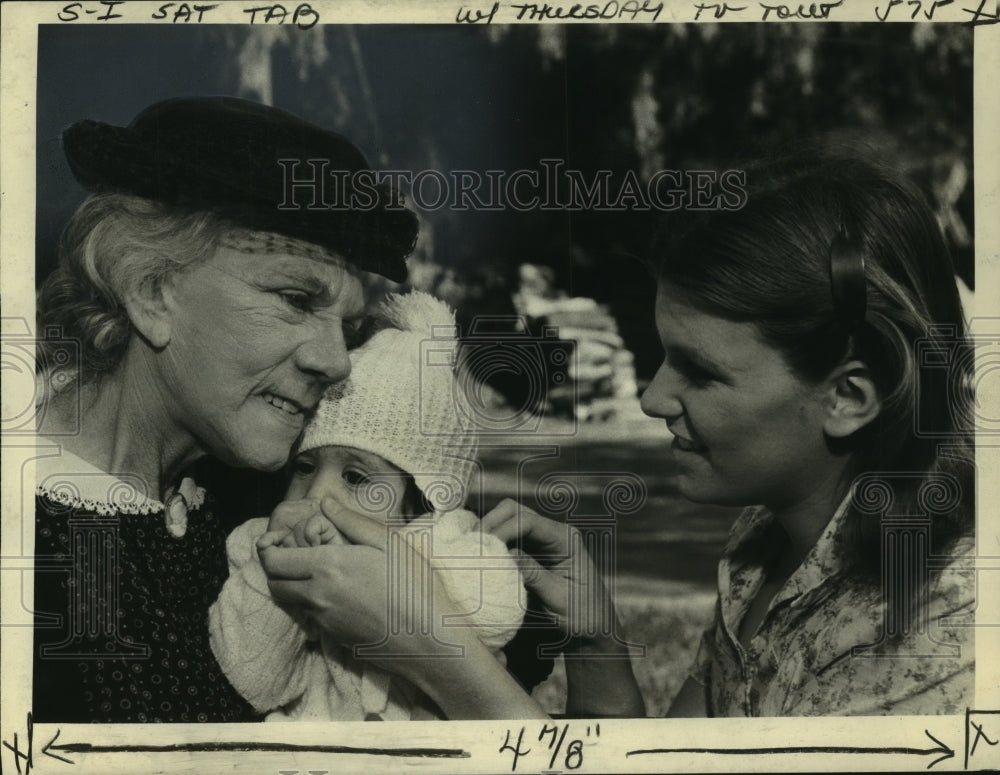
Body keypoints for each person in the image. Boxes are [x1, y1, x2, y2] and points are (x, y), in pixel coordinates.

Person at [261, 142, 974, 718]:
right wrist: (597, 641)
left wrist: (433, 648)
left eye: (699, 371)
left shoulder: (942, 627)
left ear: (848, 396)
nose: (654, 395)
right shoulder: (767, 537)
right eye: (664, 354)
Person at [32, 95, 419, 723]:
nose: (336, 361)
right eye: (295, 299)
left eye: (348, 326)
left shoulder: (277, 497)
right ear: (151, 292)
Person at [208, 291, 527, 721]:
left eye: (356, 477)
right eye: (304, 467)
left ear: (422, 503)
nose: (318, 495)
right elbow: (254, 678)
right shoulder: (259, 544)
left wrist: (404, 573)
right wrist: (273, 570)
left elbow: (496, 615)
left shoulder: (447, 542)